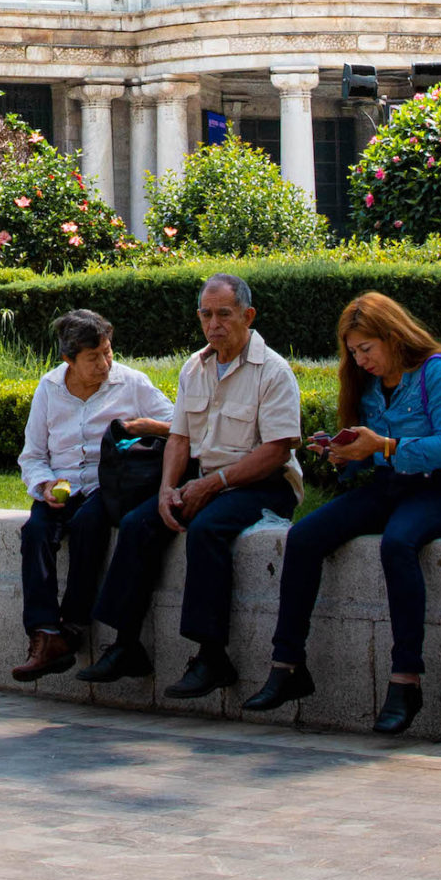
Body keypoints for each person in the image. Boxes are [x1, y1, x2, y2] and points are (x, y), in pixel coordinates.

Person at [243, 291, 441, 737]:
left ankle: (405, 680)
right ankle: (287, 664)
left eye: (366, 349)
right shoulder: (368, 386)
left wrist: (384, 446)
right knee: (304, 537)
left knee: (398, 544)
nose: (361, 360)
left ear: (392, 335)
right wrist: (346, 453)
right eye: (353, 352)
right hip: (389, 485)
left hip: (440, 490)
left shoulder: (437, 370)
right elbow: (373, 454)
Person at [81, 275, 301, 692]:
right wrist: (167, 490)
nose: (214, 324)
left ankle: (212, 656)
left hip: (263, 485)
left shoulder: (272, 371)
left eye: (224, 314)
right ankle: (127, 645)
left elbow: (276, 452)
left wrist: (213, 484)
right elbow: (178, 437)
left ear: (247, 316)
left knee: (206, 531)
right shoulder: (194, 368)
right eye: (206, 314)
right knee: (138, 523)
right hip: (205, 480)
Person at [13, 309, 172, 682]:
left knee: (89, 525)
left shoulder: (131, 383)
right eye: (93, 358)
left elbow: (183, 422)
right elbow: (33, 455)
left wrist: (152, 426)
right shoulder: (49, 388)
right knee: (35, 534)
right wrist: (45, 484)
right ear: (69, 359)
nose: (104, 364)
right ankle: (44, 634)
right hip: (61, 485)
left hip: (106, 487)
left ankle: (72, 626)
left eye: (107, 352)